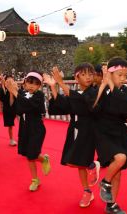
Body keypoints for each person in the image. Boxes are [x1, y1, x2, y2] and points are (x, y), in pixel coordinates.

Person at [44, 64, 100, 208]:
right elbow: (62, 106)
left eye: (90, 74)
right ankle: (88, 187)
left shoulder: (94, 92)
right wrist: (53, 86)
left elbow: (83, 102)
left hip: (90, 129)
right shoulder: (74, 93)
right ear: (76, 77)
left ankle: (91, 167)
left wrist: (61, 83)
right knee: (73, 162)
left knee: (80, 161)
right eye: (84, 74)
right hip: (74, 128)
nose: (88, 77)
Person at [94, 57, 127, 214]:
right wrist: (103, 86)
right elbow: (93, 108)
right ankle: (105, 182)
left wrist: (113, 87)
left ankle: (111, 204)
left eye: (125, 75)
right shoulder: (100, 89)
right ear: (110, 74)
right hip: (103, 132)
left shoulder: (124, 91)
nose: (123, 79)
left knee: (118, 173)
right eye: (119, 75)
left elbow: (125, 107)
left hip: (119, 131)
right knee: (120, 158)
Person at [5, 71, 51, 191]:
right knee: (29, 156)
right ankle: (36, 177)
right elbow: (16, 109)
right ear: (25, 82)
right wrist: (11, 90)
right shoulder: (22, 93)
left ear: (39, 86)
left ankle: (40, 167)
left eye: (36, 83)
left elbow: (29, 105)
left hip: (37, 129)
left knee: (32, 155)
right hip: (25, 128)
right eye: (29, 82)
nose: (32, 85)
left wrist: (15, 92)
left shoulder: (39, 96)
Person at [0, 75, 17, 146]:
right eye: (8, 81)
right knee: (10, 125)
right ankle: (11, 139)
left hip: (17, 108)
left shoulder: (16, 88)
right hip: (8, 109)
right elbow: (4, 100)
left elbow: (19, 98)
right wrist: (3, 86)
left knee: (22, 123)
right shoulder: (2, 89)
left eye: (11, 80)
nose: (10, 82)